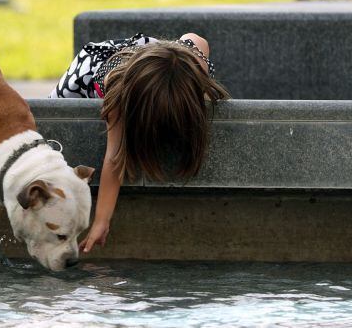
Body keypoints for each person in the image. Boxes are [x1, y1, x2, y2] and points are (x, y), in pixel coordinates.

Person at [50, 33, 230, 253]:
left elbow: (196, 37)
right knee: (50, 134)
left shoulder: (195, 61)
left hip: (149, 62)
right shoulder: (118, 93)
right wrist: (101, 221)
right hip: (90, 74)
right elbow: (114, 157)